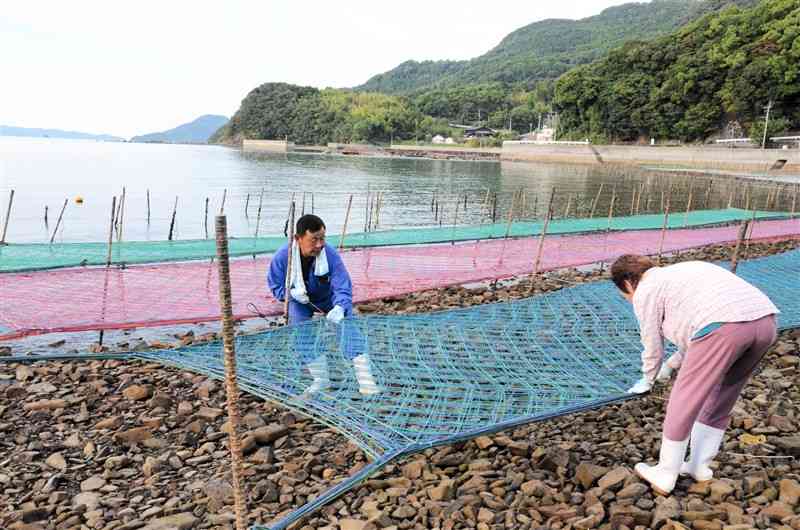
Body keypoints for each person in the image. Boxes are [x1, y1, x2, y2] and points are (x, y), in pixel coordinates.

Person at [610, 254, 778, 495]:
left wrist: (648, 377)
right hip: (765, 323)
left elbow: (652, 341)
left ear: (627, 283)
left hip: (724, 327)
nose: (628, 299)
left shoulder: (645, 289)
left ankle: (666, 473)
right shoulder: (682, 272)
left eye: (625, 295)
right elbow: (695, 337)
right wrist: (670, 366)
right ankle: (699, 466)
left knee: (685, 397)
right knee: (723, 395)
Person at [267, 214, 379, 395]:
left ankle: (366, 382)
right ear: (298, 238)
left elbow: (342, 284)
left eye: (322, 238)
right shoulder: (282, 257)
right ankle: (321, 380)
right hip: (300, 301)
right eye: (314, 239)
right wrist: (291, 294)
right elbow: (276, 287)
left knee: (348, 327)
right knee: (301, 332)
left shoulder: (330, 254)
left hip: (329, 299)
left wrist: (340, 307)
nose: (319, 244)